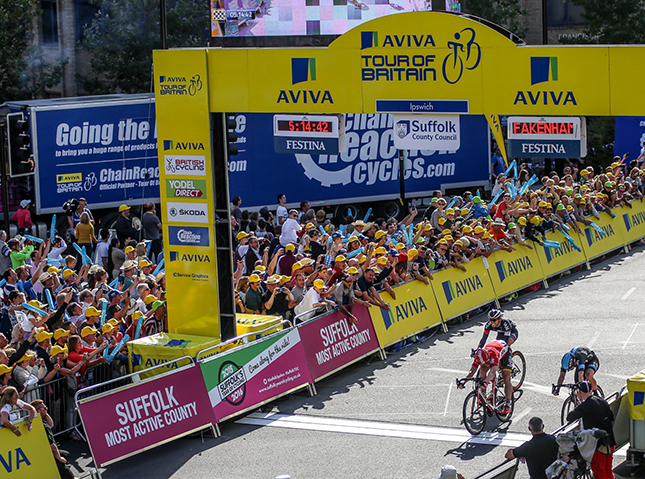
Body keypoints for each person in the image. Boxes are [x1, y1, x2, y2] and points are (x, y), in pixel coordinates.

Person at [566, 381, 616, 479]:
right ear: (592, 390)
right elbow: (611, 417)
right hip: (610, 441)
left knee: (599, 472)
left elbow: (570, 417)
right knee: (608, 469)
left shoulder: (585, 406)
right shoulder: (601, 400)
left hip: (597, 444)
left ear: (579, 393)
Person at [477, 308, 518, 411]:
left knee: (506, 345)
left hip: (511, 333)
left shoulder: (506, 324)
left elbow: (503, 344)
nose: (492, 322)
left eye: (494, 320)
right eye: (490, 320)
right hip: (501, 334)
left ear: (499, 319)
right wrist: (479, 349)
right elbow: (483, 339)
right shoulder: (489, 325)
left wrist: (499, 355)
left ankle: (508, 365)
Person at [457, 339, 511, 415]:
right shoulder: (478, 356)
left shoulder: (494, 355)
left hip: (503, 350)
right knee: (482, 370)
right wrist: (463, 382)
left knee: (506, 377)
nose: (487, 365)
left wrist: (486, 382)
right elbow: (472, 371)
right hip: (492, 347)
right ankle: (484, 396)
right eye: (484, 363)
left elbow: (492, 371)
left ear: (488, 358)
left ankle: (508, 404)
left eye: (487, 362)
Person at [31, 399, 75, 478]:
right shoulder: (41, 426)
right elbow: (52, 447)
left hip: (45, 452)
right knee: (69, 476)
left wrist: (45, 413)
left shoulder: (39, 421)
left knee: (66, 454)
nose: (46, 409)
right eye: (44, 408)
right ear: (38, 411)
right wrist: (59, 458)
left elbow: (51, 425)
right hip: (48, 454)